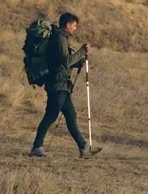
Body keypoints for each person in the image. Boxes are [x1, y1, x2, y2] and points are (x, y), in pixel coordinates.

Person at [29, 12, 97, 158]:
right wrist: (81, 52)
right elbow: (65, 61)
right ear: (67, 25)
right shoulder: (60, 39)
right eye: (74, 26)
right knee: (51, 116)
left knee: (71, 116)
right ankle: (37, 146)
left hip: (62, 85)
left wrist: (79, 60)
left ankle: (83, 147)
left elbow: (63, 62)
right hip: (57, 84)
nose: (75, 29)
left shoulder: (61, 38)